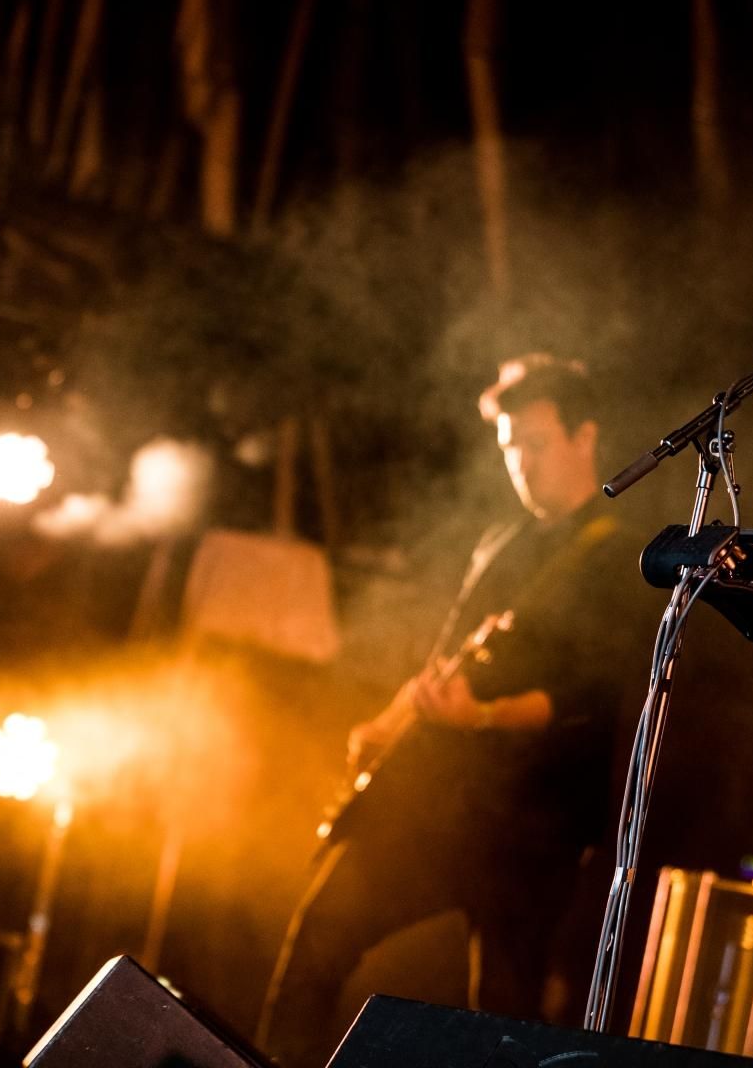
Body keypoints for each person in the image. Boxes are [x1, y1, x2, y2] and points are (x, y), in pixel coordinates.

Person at [259, 355, 639, 1067]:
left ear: (584, 436)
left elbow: (584, 701)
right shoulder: (500, 544)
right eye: (509, 448)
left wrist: (482, 719)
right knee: (319, 935)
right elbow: (448, 660)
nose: (521, 464)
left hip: (534, 825)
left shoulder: (615, 556)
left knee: (505, 1015)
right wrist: (388, 723)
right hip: (444, 804)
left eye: (536, 443)